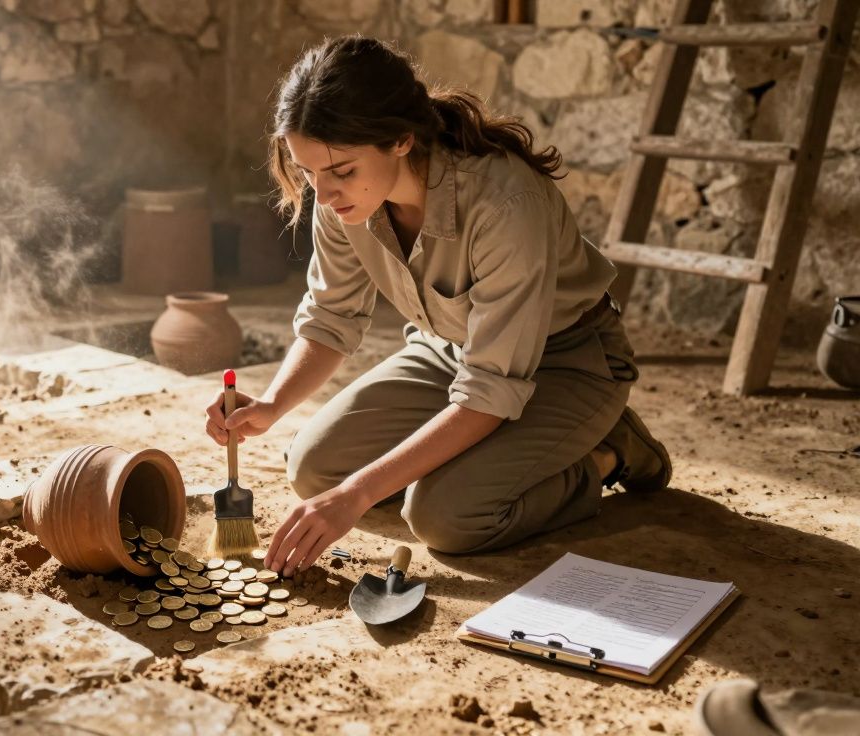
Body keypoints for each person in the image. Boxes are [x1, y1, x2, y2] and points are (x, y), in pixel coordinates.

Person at [203, 36, 672, 577]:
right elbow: (331, 318)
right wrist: (271, 405)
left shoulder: (505, 203)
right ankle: (487, 449)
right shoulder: (341, 198)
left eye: (341, 171)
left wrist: (357, 494)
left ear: (401, 140)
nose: (323, 194)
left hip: (567, 361)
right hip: (452, 351)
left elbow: (490, 389)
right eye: (309, 172)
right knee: (314, 469)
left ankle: (606, 451)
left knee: (445, 517)